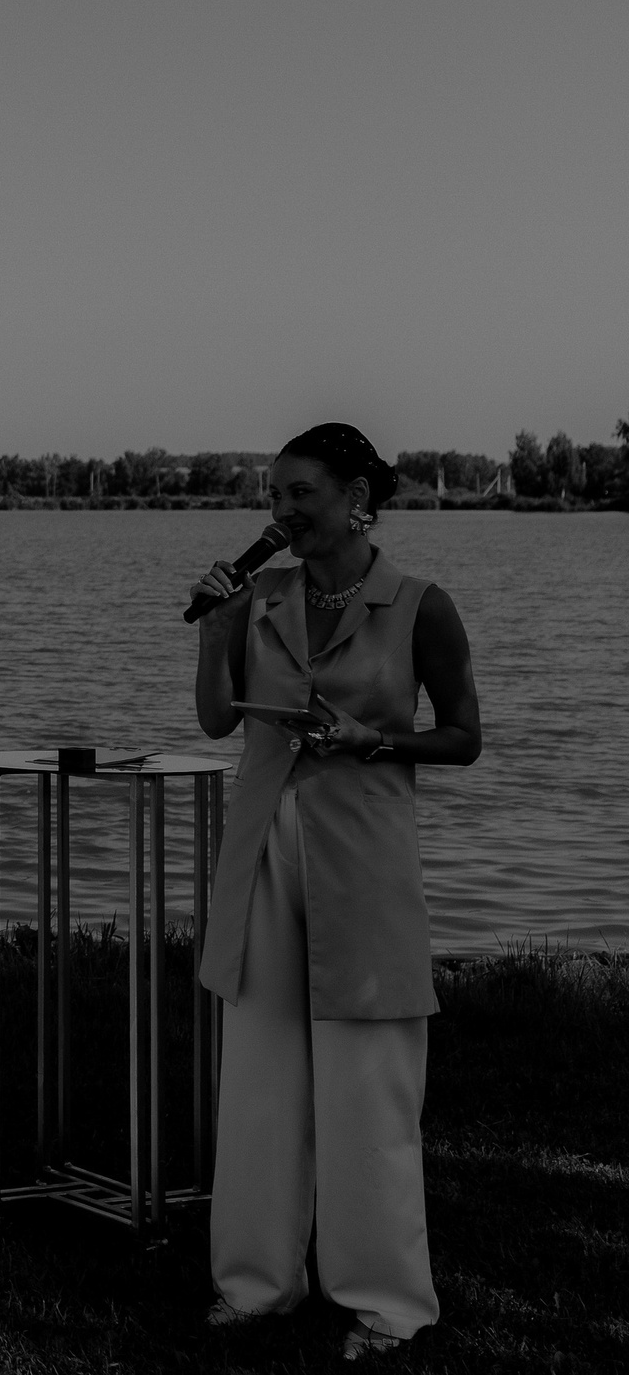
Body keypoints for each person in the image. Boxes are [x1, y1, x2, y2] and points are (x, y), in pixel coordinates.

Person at [188, 422, 481, 1359]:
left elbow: (463, 736)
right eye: (273, 499)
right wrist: (217, 627)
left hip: (362, 863)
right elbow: (213, 720)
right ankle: (256, 1283)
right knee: (262, 1081)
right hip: (263, 851)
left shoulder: (421, 605)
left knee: (369, 1087)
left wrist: (372, 740)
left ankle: (387, 1301)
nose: (281, 515)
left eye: (299, 495)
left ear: (357, 497)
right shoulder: (260, 596)